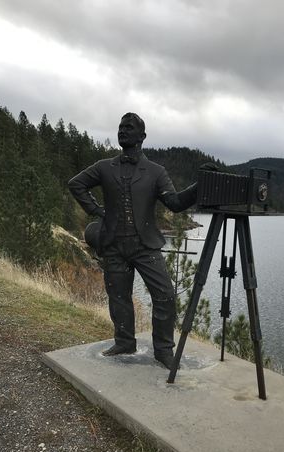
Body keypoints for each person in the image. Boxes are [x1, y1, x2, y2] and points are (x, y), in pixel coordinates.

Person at [68, 113, 198, 369]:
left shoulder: (155, 172)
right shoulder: (105, 167)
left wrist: (200, 186)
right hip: (113, 245)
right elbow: (76, 184)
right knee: (118, 296)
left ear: (142, 136)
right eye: (120, 127)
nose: (122, 131)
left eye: (129, 128)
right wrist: (97, 211)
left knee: (165, 296)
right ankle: (125, 341)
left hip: (145, 245)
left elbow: (174, 203)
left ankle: (163, 350)